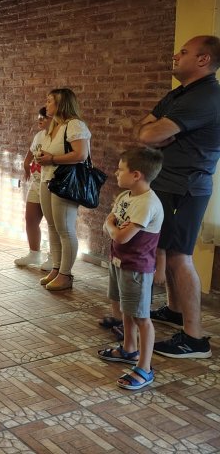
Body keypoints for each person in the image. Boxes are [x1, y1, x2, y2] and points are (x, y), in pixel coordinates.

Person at [137, 35, 220, 359]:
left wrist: (156, 133)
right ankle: (174, 310)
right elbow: (143, 131)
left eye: (184, 52)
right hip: (170, 185)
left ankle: (195, 338)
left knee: (179, 256)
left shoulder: (205, 97)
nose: (175, 55)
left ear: (203, 59)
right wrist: (154, 134)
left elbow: (150, 133)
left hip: (186, 188)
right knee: (170, 250)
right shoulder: (181, 93)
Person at [98, 147, 164, 390]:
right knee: (127, 310)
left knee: (141, 317)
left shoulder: (147, 203)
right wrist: (111, 225)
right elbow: (111, 223)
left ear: (136, 175)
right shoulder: (126, 196)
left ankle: (144, 368)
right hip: (119, 262)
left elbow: (120, 235)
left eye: (121, 169)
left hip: (137, 268)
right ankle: (129, 348)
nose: (116, 173)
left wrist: (111, 225)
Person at [35, 88, 92, 291]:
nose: (46, 104)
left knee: (65, 229)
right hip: (48, 178)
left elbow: (81, 154)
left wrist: (52, 158)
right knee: (52, 226)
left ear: (61, 104)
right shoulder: (54, 125)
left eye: (50, 101)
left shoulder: (75, 124)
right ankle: (56, 268)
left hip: (65, 182)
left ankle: (66, 274)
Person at [15, 107, 53, 270]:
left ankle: (54, 258)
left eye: (44, 117)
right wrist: (26, 165)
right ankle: (34, 254)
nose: (40, 120)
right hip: (36, 183)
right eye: (39, 117)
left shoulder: (57, 137)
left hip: (50, 184)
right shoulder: (39, 136)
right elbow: (30, 154)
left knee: (53, 223)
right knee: (30, 219)